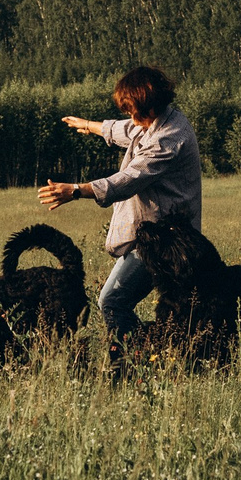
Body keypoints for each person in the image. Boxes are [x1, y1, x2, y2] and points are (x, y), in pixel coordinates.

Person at [38, 65, 202, 342]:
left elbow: (129, 178)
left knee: (113, 300)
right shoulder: (158, 120)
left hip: (166, 242)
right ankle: (151, 352)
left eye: (133, 110)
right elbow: (127, 130)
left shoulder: (168, 138)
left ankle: (132, 358)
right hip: (156, 235)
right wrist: (89, 126)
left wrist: (77, 190)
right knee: (171, 309)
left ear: (149, 107)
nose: (130, 116)